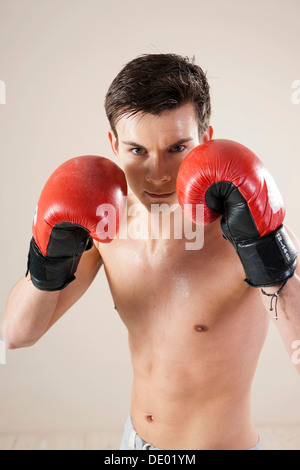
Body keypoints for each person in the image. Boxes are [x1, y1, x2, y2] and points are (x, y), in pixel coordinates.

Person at [1, 54, 299, 451]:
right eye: (138, 150)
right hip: (134, 444)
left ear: (206, 140)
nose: (157, 173)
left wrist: (266, 248)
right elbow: (17, 334)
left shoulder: (241, 229)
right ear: (113, 145)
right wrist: (45, 255)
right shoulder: (104, 223)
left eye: (177, 147)